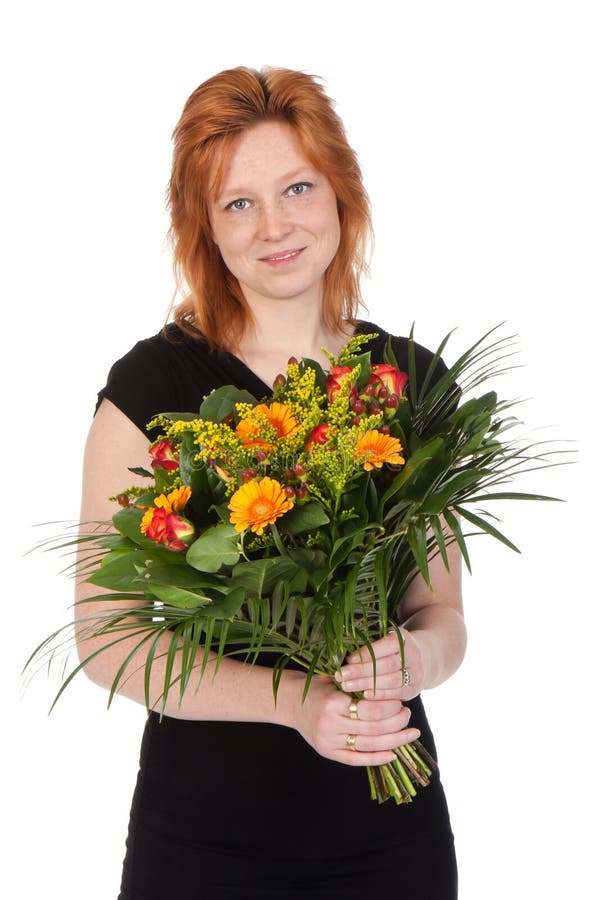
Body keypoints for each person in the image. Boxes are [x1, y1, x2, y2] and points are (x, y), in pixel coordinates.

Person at [78, 66, 466, 899]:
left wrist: (414, 656)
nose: (275, 226)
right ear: (205, 228)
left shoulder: (408, 382)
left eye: (297, 187)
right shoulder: (153, 391)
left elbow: (444, 614)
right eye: (238, 203)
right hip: (205, 843)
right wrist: (297, 703)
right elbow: (107, 641)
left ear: (340, 195)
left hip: (390, 834)